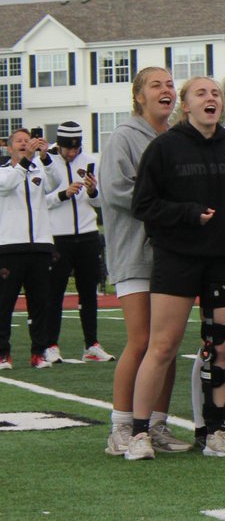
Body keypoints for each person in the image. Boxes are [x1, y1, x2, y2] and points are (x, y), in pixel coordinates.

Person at [125, 76, 225, 460]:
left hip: (222, 260)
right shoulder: (164, 148)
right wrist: (187, 214)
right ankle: (139, 433)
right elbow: (143, 205)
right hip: (177, 259)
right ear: (185, 105)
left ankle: (218, 431)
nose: (211, 99)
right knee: (163, 345)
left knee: (223, 347)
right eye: (201, 93)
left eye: (216, 93)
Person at [99, 68, 195, 455]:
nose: (166, 90)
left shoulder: (177, 138)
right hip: (135, 253)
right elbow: (117, 192)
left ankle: (156, 424)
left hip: (172, 255)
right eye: (156, 85)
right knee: (141, 342)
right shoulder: (124, 136)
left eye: (170, 84)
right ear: (139, 96)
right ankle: (121, 427)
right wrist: (173, 207)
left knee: (166, 344)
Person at [43, 121, 112, 364]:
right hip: (58, 237)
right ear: (59, 145)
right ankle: (50, 344)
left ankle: (91, 344)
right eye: (66, 148)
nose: (71, 153)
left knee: (89, 293)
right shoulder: (47, 161)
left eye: (75, 148)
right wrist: (64, 194)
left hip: (88, 234)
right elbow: (41, 199)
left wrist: (92, 192)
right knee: (55, 293)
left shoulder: (91, 160)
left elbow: (98, 202)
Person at [0, 128, 62, 370]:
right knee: (4, 303)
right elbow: (8, 184)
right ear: (9, 146)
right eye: (20, 141)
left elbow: (55, 183)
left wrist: (45, 157)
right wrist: (27, 161)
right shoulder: (4, 171)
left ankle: (39, 352)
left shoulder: (38, 170)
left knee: (40, 304)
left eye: (28, 140)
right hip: (9, 247)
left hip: (40, 246)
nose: (25, 143)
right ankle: (3, 353)